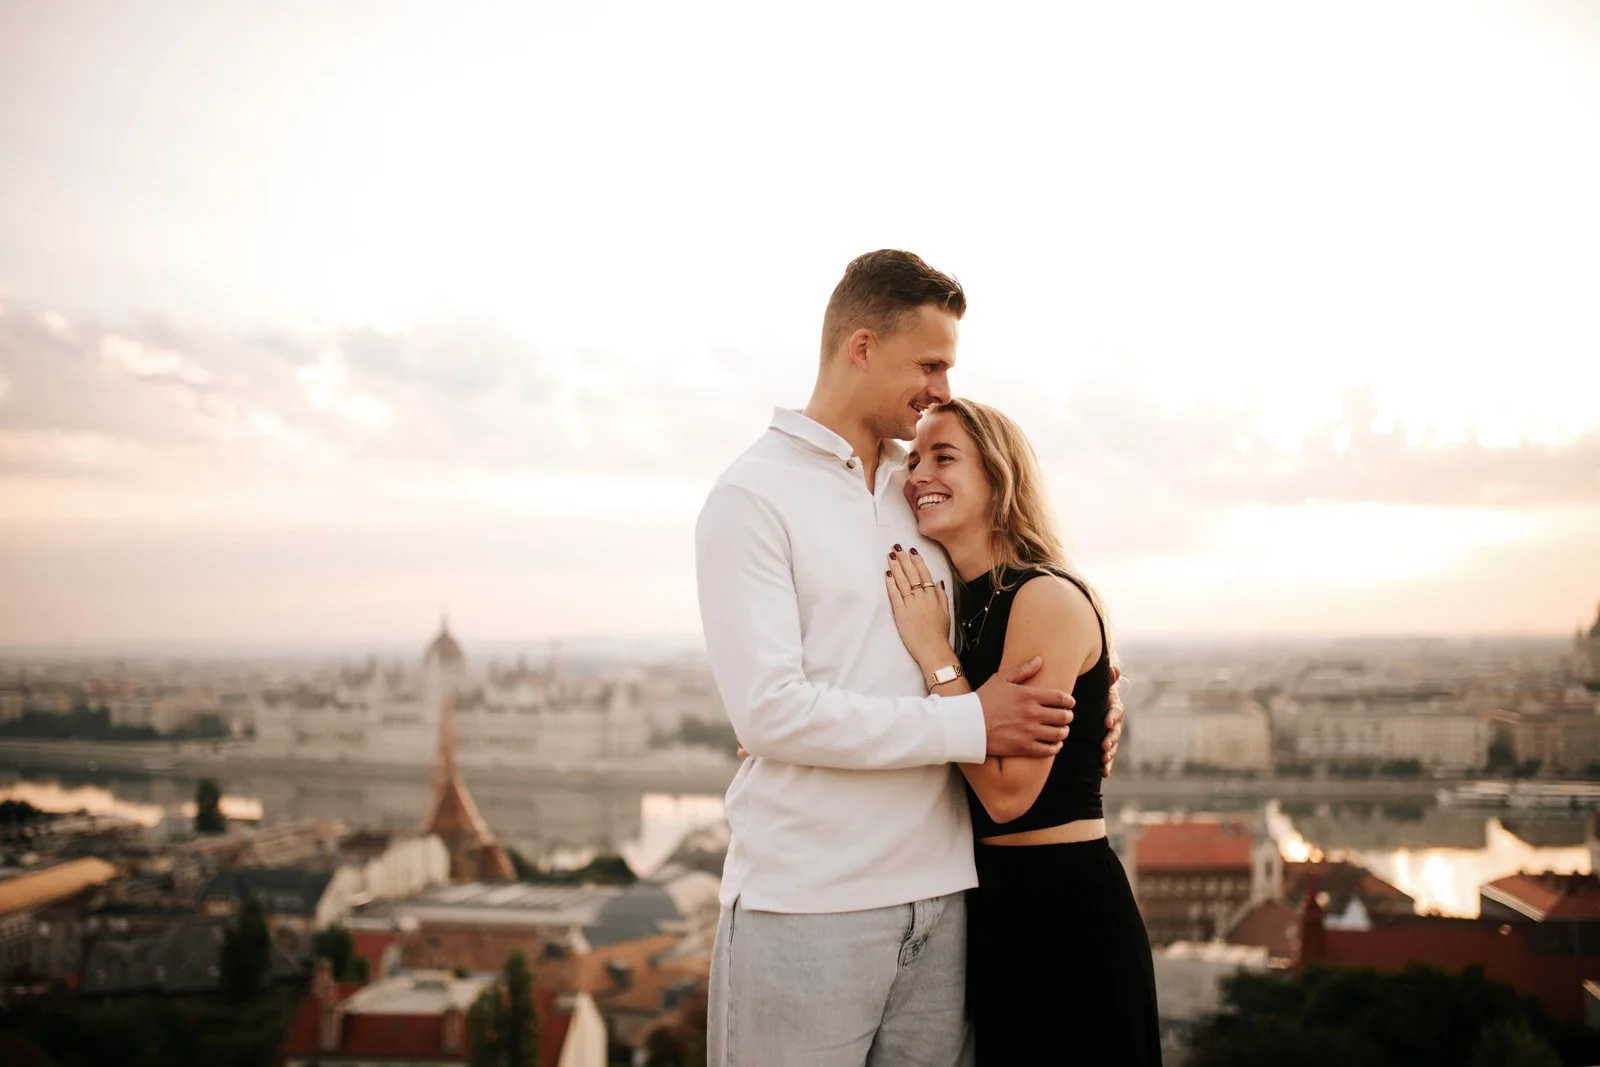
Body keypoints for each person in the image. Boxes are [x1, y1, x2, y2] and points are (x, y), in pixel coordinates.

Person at [694, 249, 1125, 1066]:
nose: (943, 390)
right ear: (862, 347)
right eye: (930, 363)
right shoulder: (751, 497)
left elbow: (1017, 592)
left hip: (948, 903)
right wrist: (971, 720)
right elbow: (772, 711)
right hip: (809, 905)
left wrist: (1098, 687)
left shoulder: (917, 485)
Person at [886, 397, 1161, 1065]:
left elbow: (1010, 794)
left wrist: (936, 659)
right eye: (915, 458)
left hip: (1062, 912)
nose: (918, 472)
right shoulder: (960, 599)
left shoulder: (1041, 596)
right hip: (993, 909)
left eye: (944, 456)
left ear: (1000, 476)